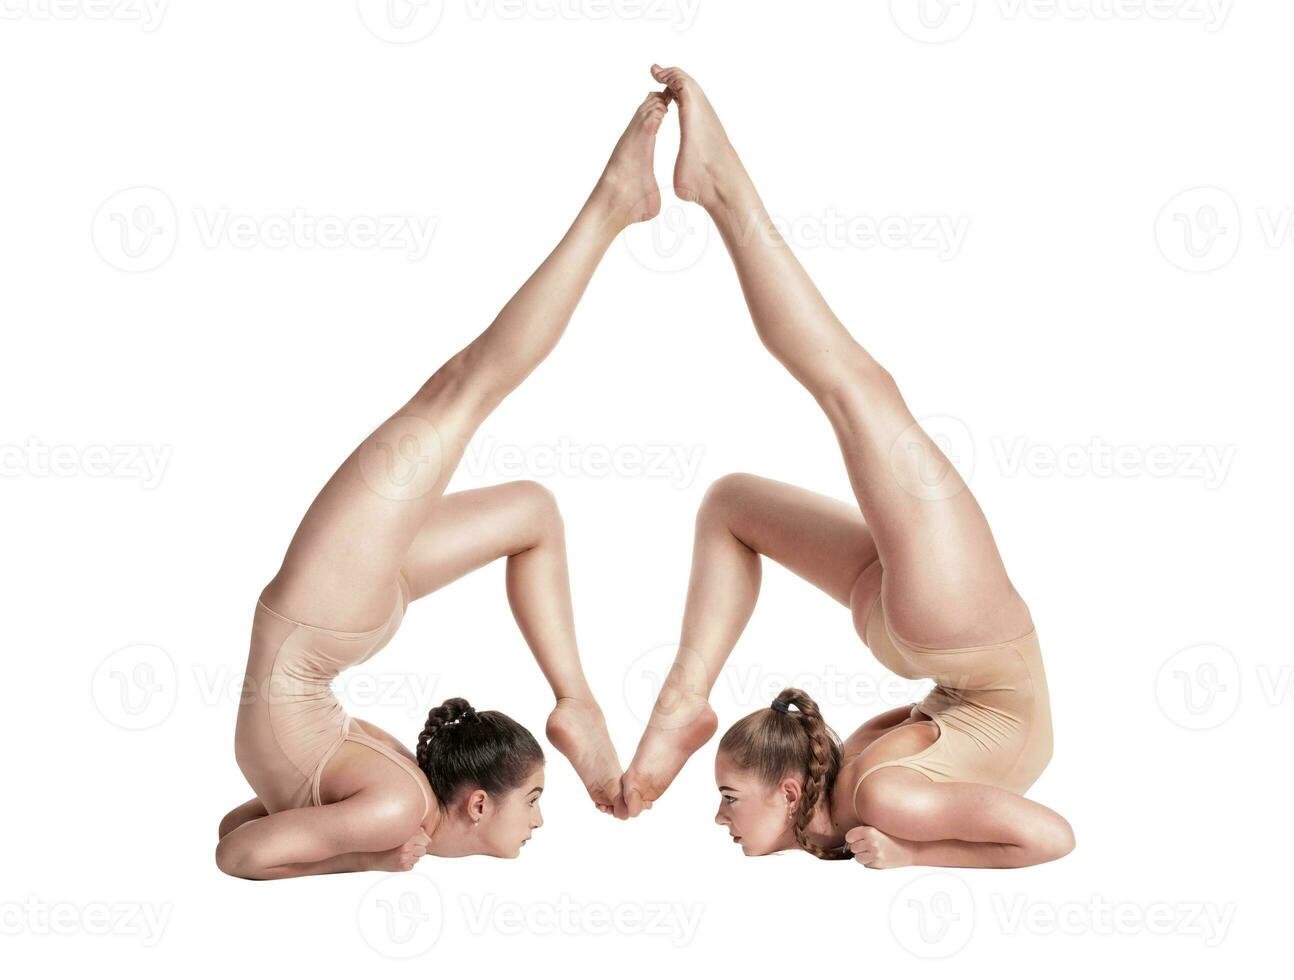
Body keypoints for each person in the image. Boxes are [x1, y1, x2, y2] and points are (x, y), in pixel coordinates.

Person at [619, 66, 1074, 869]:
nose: (719, 819)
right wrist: (910, 857)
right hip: (965, 639)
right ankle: (721, 188)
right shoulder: (881, 801)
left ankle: (683, 698)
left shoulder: (861, 790)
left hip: (941, 647)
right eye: (727, 797)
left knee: (736, 500)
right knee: (855, 387)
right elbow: (1052, 836)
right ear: (790, 793)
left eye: (724, 797)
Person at [215, 90, 673, 879]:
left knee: (467, 386)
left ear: (478, 804)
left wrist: (373, 858)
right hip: (333, 626)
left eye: (533, 799)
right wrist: (361, 847)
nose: (538, 819)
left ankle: (611, 205)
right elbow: (253, 822)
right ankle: (577, 700)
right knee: (527, 504)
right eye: (539, 800)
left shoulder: (397, 814)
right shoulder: (396, 807)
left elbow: (238, 848)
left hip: (318, 626)